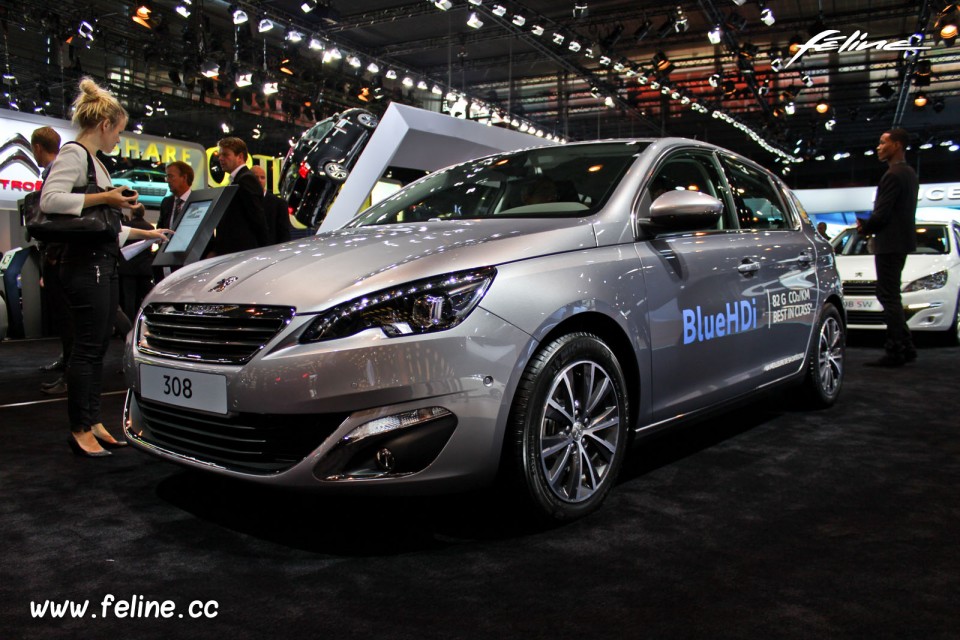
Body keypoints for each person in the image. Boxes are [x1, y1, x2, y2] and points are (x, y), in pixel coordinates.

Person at [39, 77, 172, 457]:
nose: (118, 139)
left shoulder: (93, 161)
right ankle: (80, 426)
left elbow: (102, 225)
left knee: (96, 348)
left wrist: (147, 232)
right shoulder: (74, 154)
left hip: (100, 263)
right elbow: (51, 200)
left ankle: (93, 418)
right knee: (86, 349)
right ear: (104, 125)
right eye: (118, 131)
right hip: (83, 267)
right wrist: (107, 197)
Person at [856, 128, 919, 367]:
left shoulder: (892, 175)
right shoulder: (909, 173)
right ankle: (906, 345)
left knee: (888, 295)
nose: (878, 147)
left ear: (897, 145)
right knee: (891, 294)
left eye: (883, 143)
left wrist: (865, 227)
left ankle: (897, 350)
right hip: (900, 242)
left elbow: (882, 214)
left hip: (889, 243)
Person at [31, 127, 71, 394]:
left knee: (70, 320)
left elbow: (60, 218)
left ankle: (71, 376)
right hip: (58, 255)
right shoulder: (54, 172)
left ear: (37, 147)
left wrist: (54, 254)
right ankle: (68, 366)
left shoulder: (58, 174)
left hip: (62, 256)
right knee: (66, 319)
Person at [203, 137, 269, 258]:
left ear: (240, 157)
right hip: (233, 252)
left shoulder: (246, 179)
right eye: (220, 155)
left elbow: (257, 217)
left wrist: (264, 251)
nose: (220, 158)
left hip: (242, 252)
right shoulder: (238, 180)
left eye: (226, 154)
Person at [118, 205, 157, 322]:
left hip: (128, 269)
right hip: (145, 269)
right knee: (146, 298)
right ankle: (147, 322)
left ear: (132, 213)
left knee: (129, 299)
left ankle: (130, 324)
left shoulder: (127, 227)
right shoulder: (150, 227)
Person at [251, 165, 291, 245]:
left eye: (262, 177)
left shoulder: (279, 204)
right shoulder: (243, 201)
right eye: (256, 177)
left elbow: (285, 236)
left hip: (271, 252)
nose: (259, 180)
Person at [158, 160, 194, 230]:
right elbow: (160, 229)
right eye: (167, 177)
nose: (168, 180)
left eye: (170, 176)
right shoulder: (166, 202)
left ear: (184, 177)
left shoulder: (198, 202)